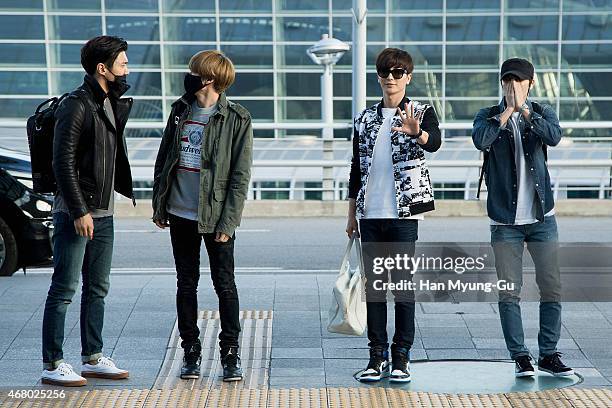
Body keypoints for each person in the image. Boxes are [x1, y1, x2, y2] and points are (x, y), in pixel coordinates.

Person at [152, 50, 253, 382]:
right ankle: (191, 352)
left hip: (215, 216)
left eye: (194, 72)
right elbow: (165, 158)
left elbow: (240, 176)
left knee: (224, 285)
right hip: (179, 212)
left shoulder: (237, 118)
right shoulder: (180, 111)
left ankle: (231, 354)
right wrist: (159, 205)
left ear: (209, 79)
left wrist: (228, 222)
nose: (189, 75)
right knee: (186, 283)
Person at [41, 36, 134, 386]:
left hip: (104, 210)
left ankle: (92, 357)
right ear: (103, 68)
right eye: (122, 64)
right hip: (75, 212)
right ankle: (52, 364)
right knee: (64, 288)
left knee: (97, 287)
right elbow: (61, 162)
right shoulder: (76, 104)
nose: (126, 69)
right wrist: (79, 210)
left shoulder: (110, 101)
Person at [472, 58, 573, 378]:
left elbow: (554, 136)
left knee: (552, 287)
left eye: (518, 82)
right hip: (505, 222)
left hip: (543, 219)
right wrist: (506, 113)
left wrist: (525, 112)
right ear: (501, 84)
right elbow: (480, 140)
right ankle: (520, 356)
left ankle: (548, 353)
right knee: (509, 291)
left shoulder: (542, 112)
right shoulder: (487, 116)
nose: (512, 87)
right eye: (507, 82)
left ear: (531, 84)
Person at [346, 47, 441, 383]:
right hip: (370, 214)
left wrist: (417, 132)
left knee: (401, 288)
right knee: (375, 290)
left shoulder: (421, 111)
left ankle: (401, 357)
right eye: (385, 72)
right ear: (378, 77)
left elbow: (434, 143)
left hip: (404, 215)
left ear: (408, 77)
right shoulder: (364, 118)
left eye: (398, 72)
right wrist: (350, 216)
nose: (391, 78)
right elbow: (356, 170)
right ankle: (376, 356)